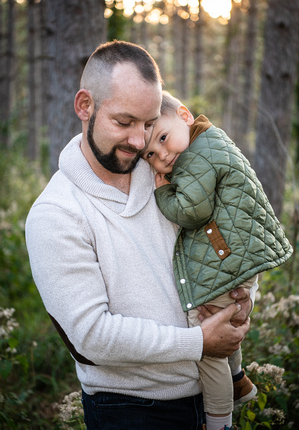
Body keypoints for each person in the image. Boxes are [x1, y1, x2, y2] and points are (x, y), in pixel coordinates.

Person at [25, 41, 254, 430]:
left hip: (210, 395)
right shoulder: (56, 213)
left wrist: (242, 301)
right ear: (85, 106)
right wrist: (198, 342)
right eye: (124, 121)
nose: (139, 140)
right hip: (129, 411)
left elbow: (230, 234)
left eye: (148, 123)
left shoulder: (167, 169)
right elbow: (93, 336)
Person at [142, 91, 293, 430]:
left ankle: (219, 423)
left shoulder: (197, 157)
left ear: (184, 115)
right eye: (150, 154)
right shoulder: (210, 141)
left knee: (208, 344)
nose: (162, 156)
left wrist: (163, 192)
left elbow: (193, 211)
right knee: (226, 324)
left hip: (229, 260)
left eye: (163, 139)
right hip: (236, 258)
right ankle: (239, 379)